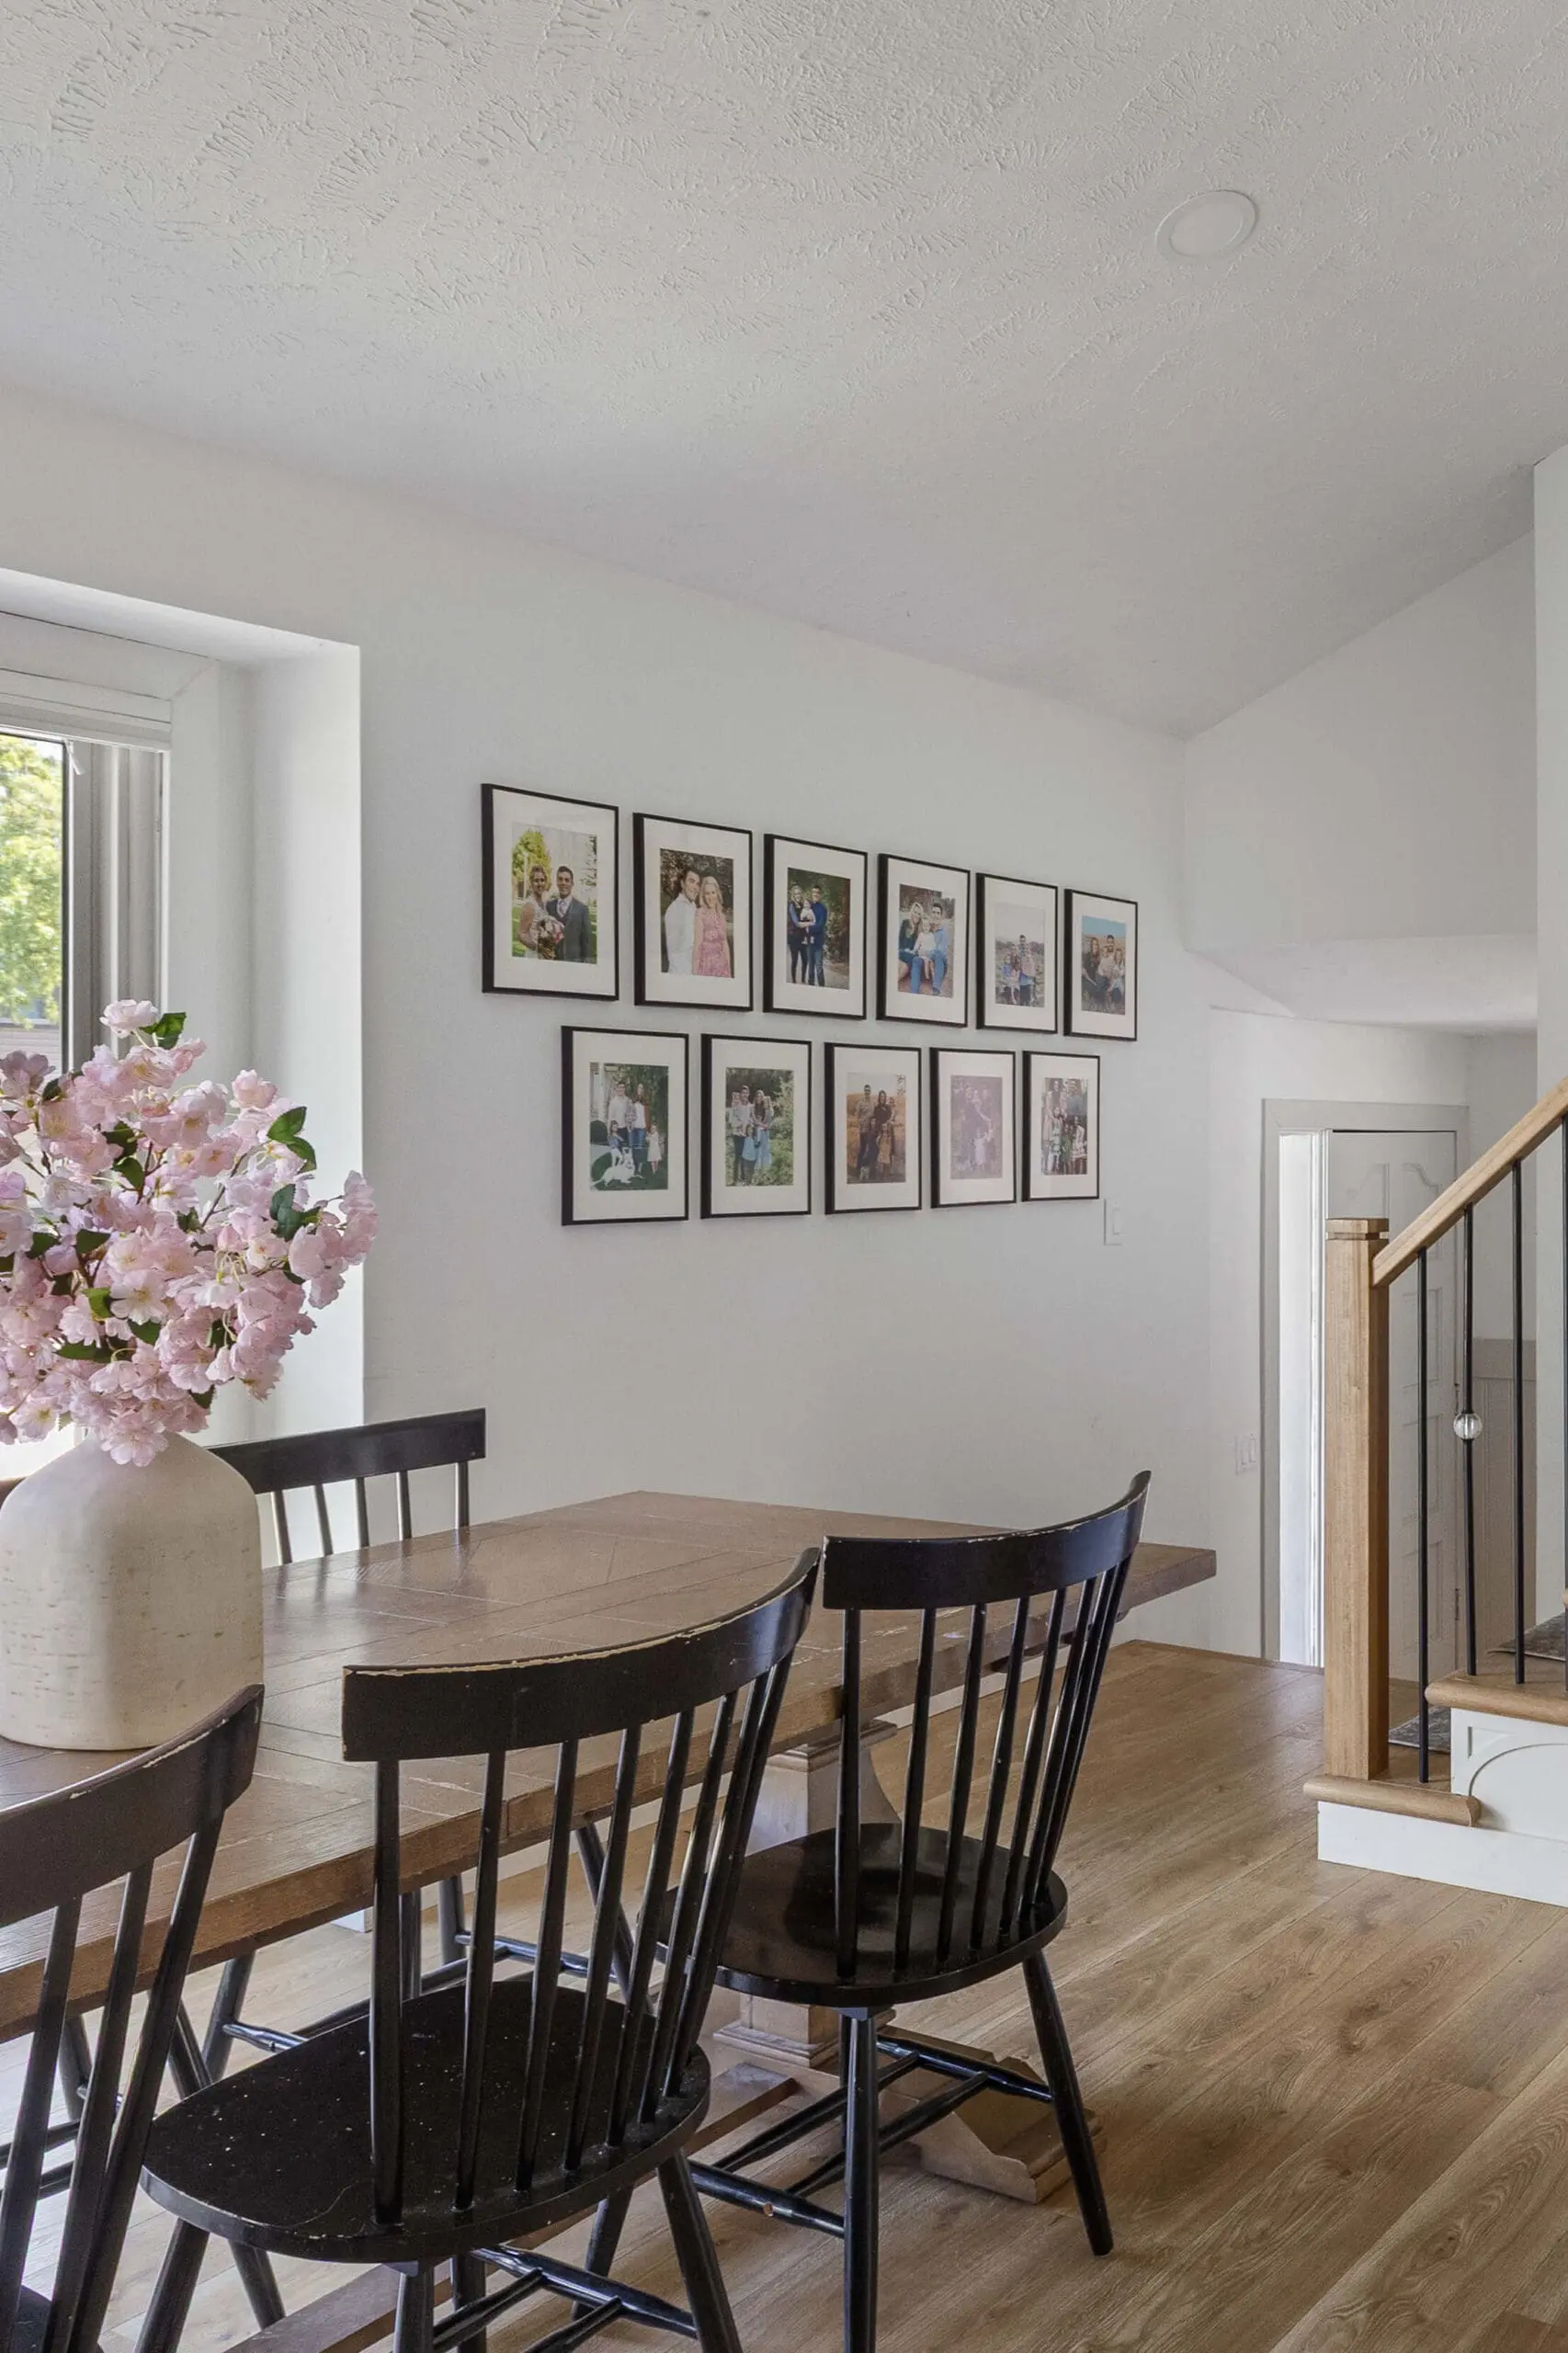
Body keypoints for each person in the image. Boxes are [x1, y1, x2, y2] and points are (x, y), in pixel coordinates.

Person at [544, 866, 593, 962]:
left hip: (574, 962)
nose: (563, 883)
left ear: (572, 883)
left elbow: (586, 942)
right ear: (556, 882)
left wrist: (586, 964)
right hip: (554, 962)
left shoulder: (582, 909)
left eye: (567, 880)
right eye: (560, 879)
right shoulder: (549, 906)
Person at [693, 872, 733, 979]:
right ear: (703, 895)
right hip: (706, 967)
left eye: (713, 893)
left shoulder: (721, 916)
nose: (710, 897)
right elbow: (698, 945)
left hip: (722, 967)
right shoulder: (700, 914)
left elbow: (725, 944)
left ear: (717, 894)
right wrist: (695, 974)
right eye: (707, 893)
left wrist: (729, 970)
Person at [664, 867, 700, 975]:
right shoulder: (675, 909)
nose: (695, 887)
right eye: (691, 881)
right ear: (682, 884)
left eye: (698, 883)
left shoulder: (693, 906)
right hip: (682, 973)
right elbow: (676, 952)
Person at [516, 861, 553, 954]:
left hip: (546, 953)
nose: (540, 884)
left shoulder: (545, 903)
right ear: (531, 883)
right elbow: (521, 934)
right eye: (536, 881)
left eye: (542, 880)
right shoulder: (530, 905)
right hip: (534, 954)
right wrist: (538, 948)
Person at [727, 1085, 754, 1185]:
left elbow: (752, 1120)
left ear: (748, 1094)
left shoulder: (751, 1107)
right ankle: (735, 1180)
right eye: (743, 1093)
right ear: (741, 1094)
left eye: (746, 1093)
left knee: (745, 1157)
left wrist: (750, 1127)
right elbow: (731, 1120)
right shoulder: (736, 1106)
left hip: (747, 1135)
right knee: (737, 1157)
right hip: (737, 1135)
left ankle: (743, 1178)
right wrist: (739, 1124)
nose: (745, 1095)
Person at [786, 884, 810, 984]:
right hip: (793, 937)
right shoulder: (791, 906)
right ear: (793, 895)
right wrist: (810, 923)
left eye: (799, 893)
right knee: (795, 960)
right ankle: (794, 981)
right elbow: (797, 923)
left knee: (805, 960)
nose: (798, 895)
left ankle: (803, 980)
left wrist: (808, 921)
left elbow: (808, 917)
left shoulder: (804, 905)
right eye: (795, 894)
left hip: (803, 937)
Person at [807, 884, 830, 985]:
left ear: (820, 895)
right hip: (808, 942)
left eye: (817, 892)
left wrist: (809, 928)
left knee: (819, 968)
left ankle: (822, 989)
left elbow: (820, 925)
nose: (815, 894)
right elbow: (802, 920)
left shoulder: (823, 909)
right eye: (814, 892)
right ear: (812, 894)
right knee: (810, 969)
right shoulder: (808, 906)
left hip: (818, 943)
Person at [899, 903, 923, 995]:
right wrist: (903, 950)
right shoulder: (905, 923)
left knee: (907, 962)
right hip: (901, 952)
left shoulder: (920, 929)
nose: (916, 915)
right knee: (900, 962)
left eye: (919, 914)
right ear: (912, 912)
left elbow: (919, 948)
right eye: (915, 912)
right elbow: (899, 941)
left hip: (910, 956)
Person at [751, 1090, 773, 1179]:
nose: (758, 1098)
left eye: (760, 1096)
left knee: (765, 1149)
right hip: (755, 1131)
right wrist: (759, 1124)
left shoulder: (765, 1108)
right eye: (757, 1096)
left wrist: (763, 1125)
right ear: (755, 1097)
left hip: (764, 1131)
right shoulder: (753, 1107)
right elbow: (752, 1119)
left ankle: (765, 1170)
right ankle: (756, 1170)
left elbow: (768, 1122)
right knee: (756, 1150)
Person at [629, 1084, 649, 1180]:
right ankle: (633, 1166)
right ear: (636, 1089)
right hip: (633, 1128)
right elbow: (629, 1113)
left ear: (643, 1090)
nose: (640, 1089)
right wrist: (629, 1124)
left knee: (640, 1148)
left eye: (642, 1088)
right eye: (639, 1087)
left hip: (642, 1128)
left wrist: (648, 1129)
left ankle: (639, 1169)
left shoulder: (645, 1101)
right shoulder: (632, 1100)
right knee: (632, 1147)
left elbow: (647, 1115)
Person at [929, 908, 950, 997]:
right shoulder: (926, 928)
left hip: (940, 963)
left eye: (938, 913)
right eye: (933, 912)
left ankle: (936, 988)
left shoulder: (943, 933)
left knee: (938, 954)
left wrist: (929, 956)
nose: (935, 915)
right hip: (928, 961)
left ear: (941, 916)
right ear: (930, 914)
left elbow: (941, 951)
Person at [1017, 935, 1037, 1009]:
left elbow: (1032, 967)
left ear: (1025, 941)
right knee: (1022, 1000)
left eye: (1023, 941)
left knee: (1028, 1000)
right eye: (1021, 941)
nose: (1022, 942)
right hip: (1021, 980)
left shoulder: (1029, 954)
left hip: (1029, 980)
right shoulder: (1019, 952)